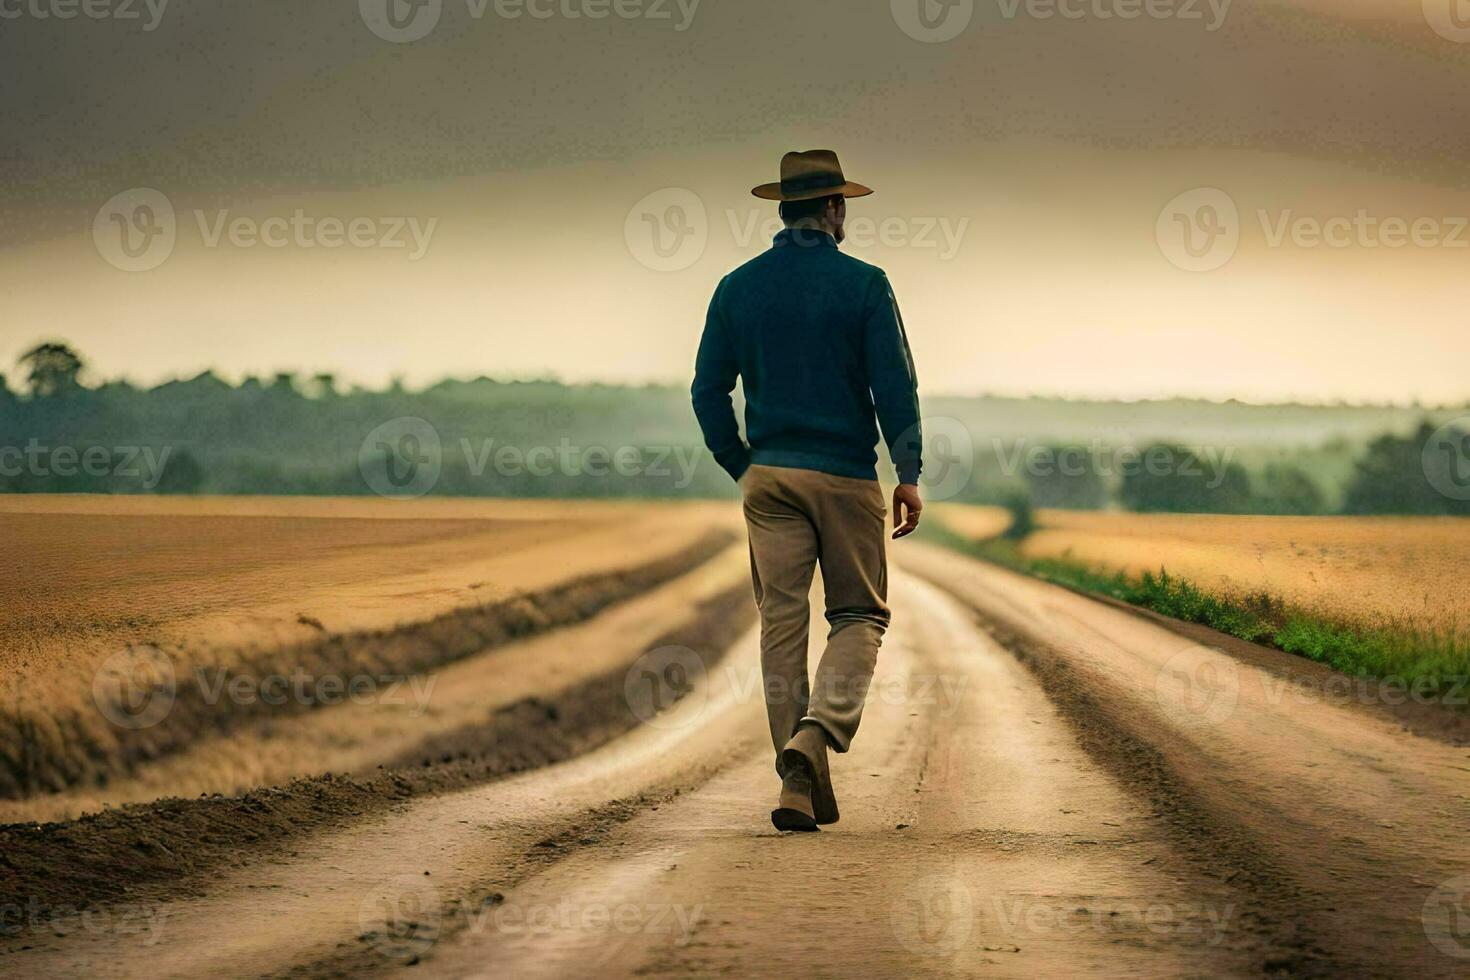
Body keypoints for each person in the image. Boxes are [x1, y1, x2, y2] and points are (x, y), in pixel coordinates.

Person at [691, 149, 924, 832]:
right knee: (859, 617)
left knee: (781, 629)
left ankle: (795, 783)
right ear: (834, 209)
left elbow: (709, 389)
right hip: (847, 475)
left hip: (769, 475)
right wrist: (908, 473)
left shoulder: (737, 286)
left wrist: (740, 463)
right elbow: (895, 387)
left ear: (783, 209)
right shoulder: (865, 284)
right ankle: (814, 740)